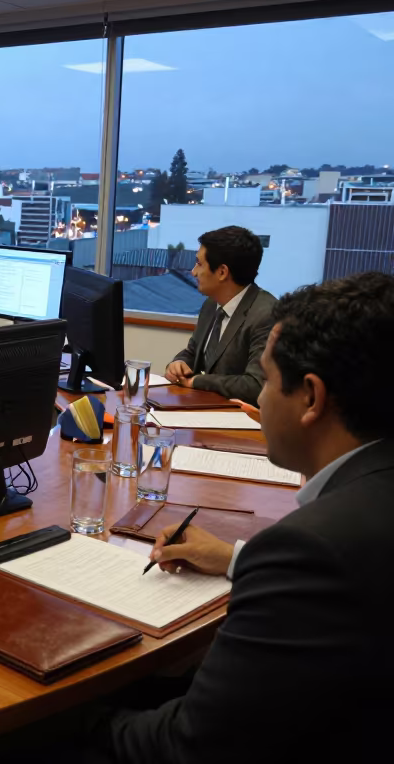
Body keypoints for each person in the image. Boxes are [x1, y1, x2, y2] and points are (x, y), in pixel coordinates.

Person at [98, 271, 394, 762]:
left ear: (312, 398)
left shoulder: (314, 547)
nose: (258, 400)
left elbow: (190, 745)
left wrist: (61, 721)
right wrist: (236, 557)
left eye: (270, 380)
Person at [164, 226, 275, 403]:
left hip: (242, 422)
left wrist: (197, 381)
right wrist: (178, 364)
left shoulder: (266, 315)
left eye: (199, 264)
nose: (193, 272)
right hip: (204, 409)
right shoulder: (211, 304)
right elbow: (193, 352)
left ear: (222, 272)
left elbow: (256, 385)